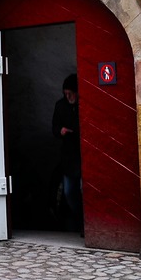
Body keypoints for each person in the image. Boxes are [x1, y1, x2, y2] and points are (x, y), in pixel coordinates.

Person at [51, 74, 82, 233]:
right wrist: (61, 131)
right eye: (66, 93)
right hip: (69, 157)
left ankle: (86, 222)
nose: (68, 96)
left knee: (85, 190)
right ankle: (79, 219)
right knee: (70, 191)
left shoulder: (84, 105)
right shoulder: (61, 106)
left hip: (84, 155)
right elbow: (54, 128)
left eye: (70, 93)